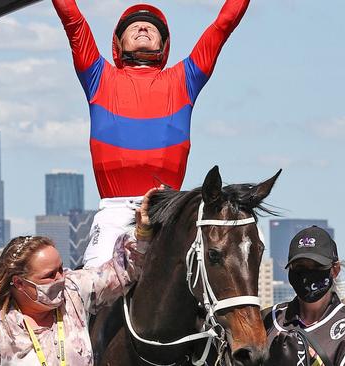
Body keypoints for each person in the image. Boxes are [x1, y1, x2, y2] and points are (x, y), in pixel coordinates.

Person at [51, 0, 251, 267]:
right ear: (119, 43)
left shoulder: (185, 78)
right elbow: (72, 19)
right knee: (93, 287)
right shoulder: (98, 76)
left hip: (168, 211)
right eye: (133, 26)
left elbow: (223, 25)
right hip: (115, 214)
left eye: (153, 27)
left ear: (163, 45)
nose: (143, 26)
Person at [0, 188, 157, 365]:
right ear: (19, 283)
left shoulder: (72, 291)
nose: (60, 278)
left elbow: (120, 272)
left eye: (61, 269)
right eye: (49, 276)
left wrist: (143, 232)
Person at [263, 226, 345, 366]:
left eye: (316, 266)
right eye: (299, 266)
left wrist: (314, 363)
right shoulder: (269, 320)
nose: (306, 275)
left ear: (335, 270)